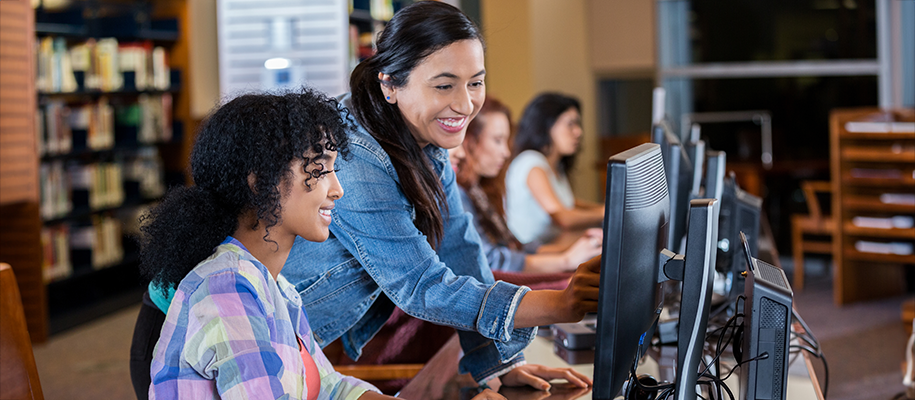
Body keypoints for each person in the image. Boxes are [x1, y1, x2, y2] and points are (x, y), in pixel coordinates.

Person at [134, 2, 599, 394]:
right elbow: (422, 286)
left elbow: (459, 250)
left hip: (275, 328)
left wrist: (497, 364)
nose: (465, 103)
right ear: (390, 84)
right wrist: (555, 304)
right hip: (223, 326)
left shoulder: (426, 142)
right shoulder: (350, 153)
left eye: (475, 82)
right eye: (444, 85)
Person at [137, 89, 503, 400]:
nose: (337, 189)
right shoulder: (226, 291)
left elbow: (333, 388)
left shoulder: (279, 288)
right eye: (320, 169)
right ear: (260, 182)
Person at [449, 95, 602, 274]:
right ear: (469, 141)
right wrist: (566, 260)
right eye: (498, 140)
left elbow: (514, 246)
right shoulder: (459, 193)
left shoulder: (480, 191)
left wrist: (572, 249)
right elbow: (491, 261)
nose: (506, 152)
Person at [505, 93, 604, 247]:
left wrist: (603, 208)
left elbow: (568, 203)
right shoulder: (531, 163)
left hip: (551, 248)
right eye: (570, 124)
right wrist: (608, 213)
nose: (578, 132)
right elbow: (563, 218)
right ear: (546, 126)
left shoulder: (554, 165)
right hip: (532, 256)